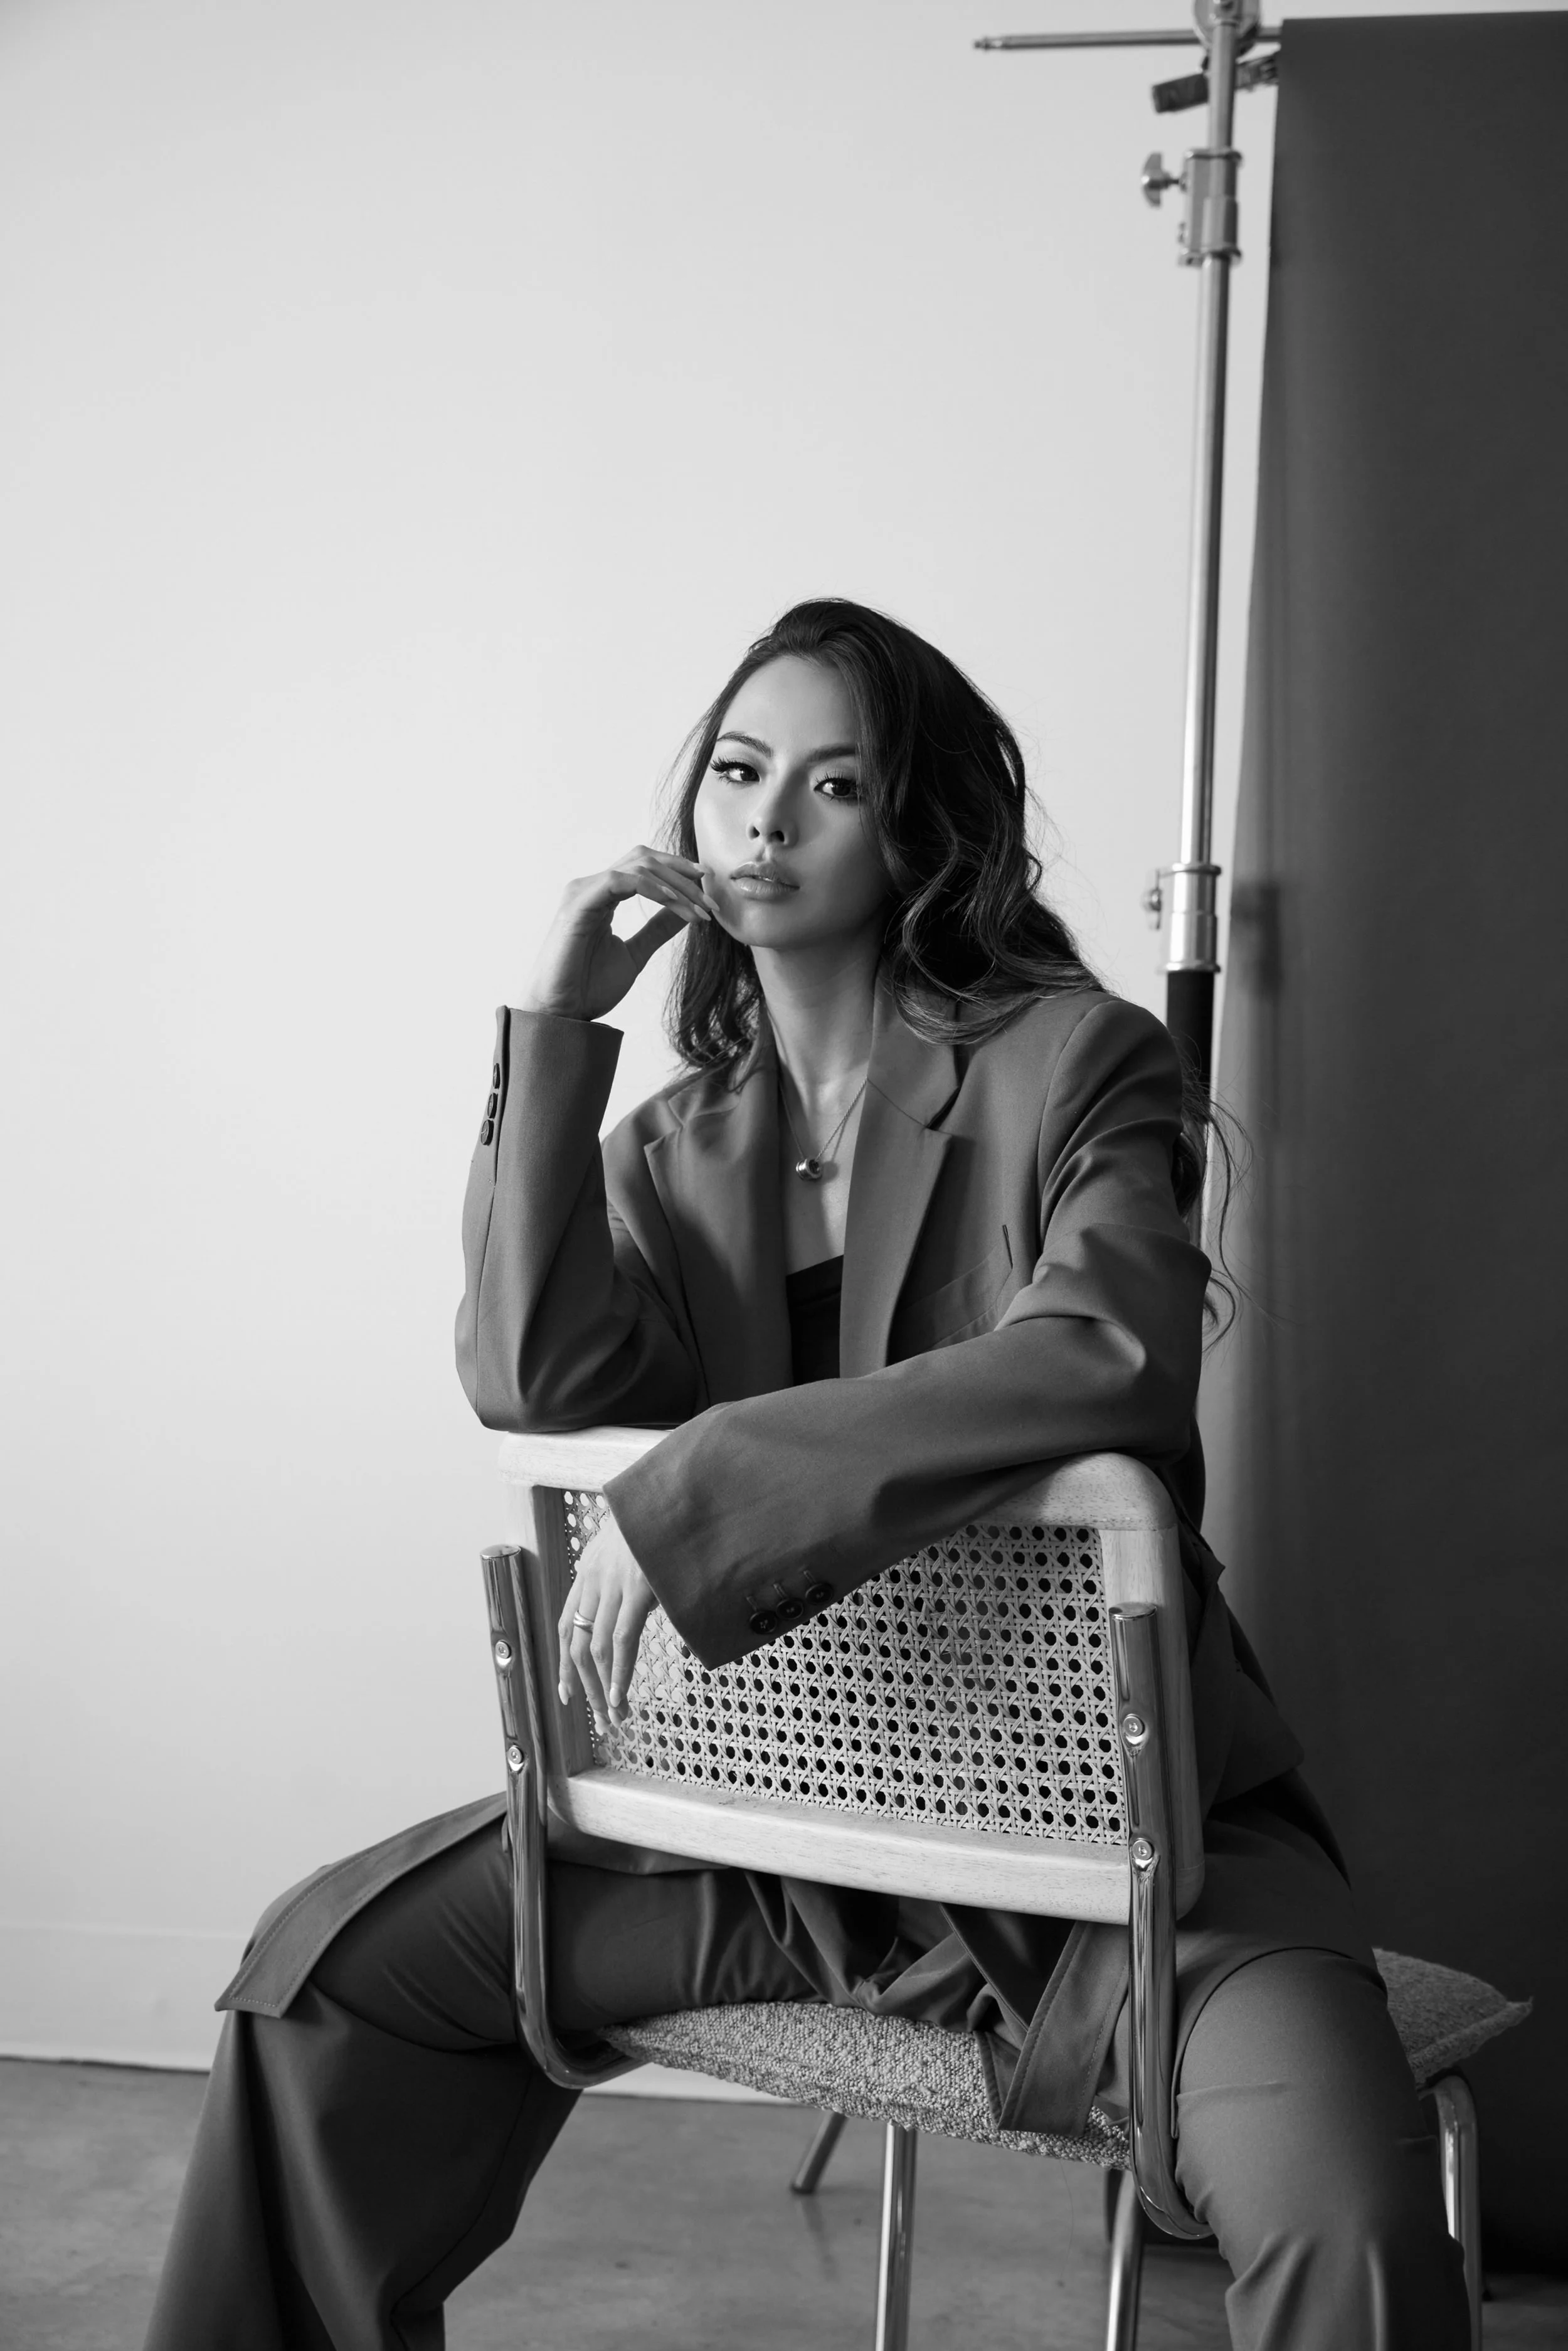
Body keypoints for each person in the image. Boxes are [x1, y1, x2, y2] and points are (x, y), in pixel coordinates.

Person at [145, 600, 1469, 2351]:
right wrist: (552, 1029)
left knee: (1342, 2211)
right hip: (781, 1858)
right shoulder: (674, 1142)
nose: (764, 820)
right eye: (736, 770)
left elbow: (1111, 1354)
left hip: (1134, 1867)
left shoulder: (1075, 1061)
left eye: (831, 782)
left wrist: (701, 1478)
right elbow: (525, 1373)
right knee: (324, 1983)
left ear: (915, 830)